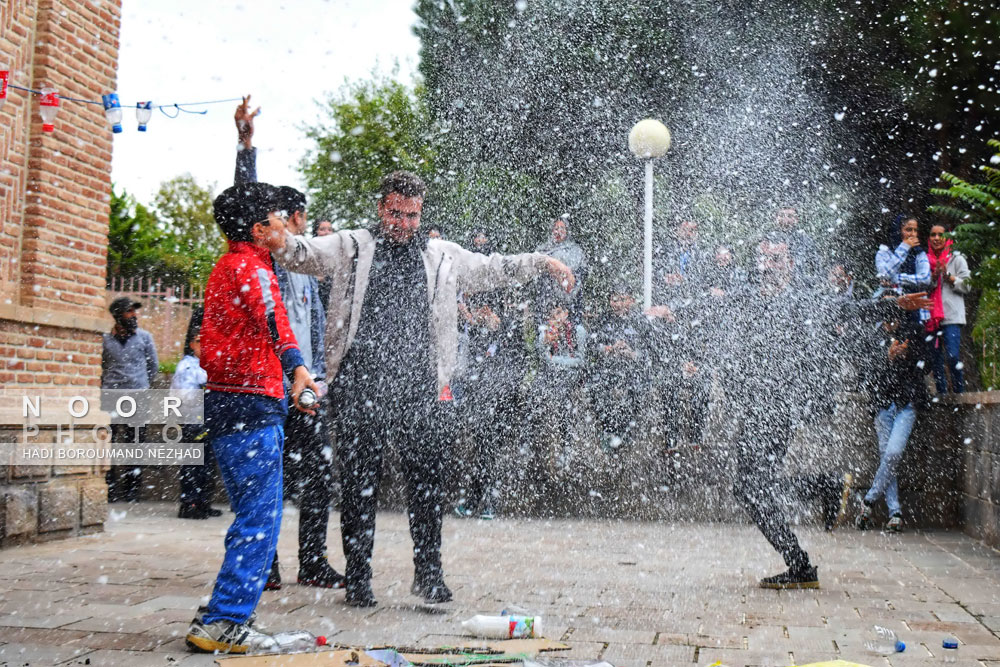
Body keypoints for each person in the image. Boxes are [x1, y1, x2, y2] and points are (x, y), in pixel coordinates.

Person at [276, 170, 575, 607]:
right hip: (361, 382)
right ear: (382, 208)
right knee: (360, 481)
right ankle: (359, 576)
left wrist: (542, 262)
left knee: (428, 482)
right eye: (396, 213)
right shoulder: (353, 245)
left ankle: (429, 573)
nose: (404, 223)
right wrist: (280, 239)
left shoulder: (441, 255)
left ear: (422, 212)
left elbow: (494, 269)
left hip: (423, 386)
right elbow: (305, 255)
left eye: (413, 215)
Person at [184, 180, 319, 654]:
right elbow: (274, 320)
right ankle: (225, 619)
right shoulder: (251, 269)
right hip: (250, 404)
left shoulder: (229, 264)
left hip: (228, 403)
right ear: (261, 229)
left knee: (253, 514)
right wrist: (299, 369)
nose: (284, 224)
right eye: (278, 218)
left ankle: (223, 615)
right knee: (260, 517)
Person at [232, 98, 345, 591]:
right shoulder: (262, 260)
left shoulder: (305, 267)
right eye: (269, 219)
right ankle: (267, 564)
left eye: (280, 217)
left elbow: (316, 328)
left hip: (302, 386)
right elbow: (242, 202)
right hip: (264, 385)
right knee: (268, 479)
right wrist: (246, 147)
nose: (274, 225)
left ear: (296, 221)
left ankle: (313, 560)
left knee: (317, 474)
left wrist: (318, 375)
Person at [454, 283, 530, 520]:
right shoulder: (477, 332)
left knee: (489, 451)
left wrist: (506, 391)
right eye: (479, 309)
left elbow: (518, 364)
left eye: (485, 309)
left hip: (502, 402)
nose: (480, 314)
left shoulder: (511, 329)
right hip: (481, 399)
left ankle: (483, 501)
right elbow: (474, 365)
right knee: (484, 451)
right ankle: (484, 501)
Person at [856, 316, 931, 532]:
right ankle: (895, 512)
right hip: (882, 406)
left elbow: (927, 365)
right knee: (886, 458)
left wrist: (908, 354)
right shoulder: (872, 336)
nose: (889, 319)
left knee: (893, 454)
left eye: (894, 312)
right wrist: (886, 357)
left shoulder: (914, 331)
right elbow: (865, 375)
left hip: (907, 404)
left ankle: (869, 501)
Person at [588, 283, 666, 453]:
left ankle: (626, 431)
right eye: (614, 299)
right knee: (597, 390)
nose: (617, 304)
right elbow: (592, 345)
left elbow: (652, 351)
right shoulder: (602, 320)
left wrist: (632, 354)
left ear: (631, 301)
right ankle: (608, 430)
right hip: (607, 368)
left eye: (622, 299)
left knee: (636, 390)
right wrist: (608, 349)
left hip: (633, 369)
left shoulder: (640, 321)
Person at [101, 296, 158, 503]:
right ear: (118, 315)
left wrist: (140, 385)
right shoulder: (104, 339)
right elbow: (101, 365)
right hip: (111, 396)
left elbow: (154, 367)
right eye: (129, 311)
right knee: (110, 442)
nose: (134, 315)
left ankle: (132, 489)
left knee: (136, 443)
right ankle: (110, 487)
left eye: (134, 311)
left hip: (137, 396)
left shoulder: (145, 337)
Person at [174, 306, 221, 520]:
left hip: (207, 420)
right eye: (200, 342)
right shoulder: (188, 366)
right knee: (192, 465)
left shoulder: (204, 364)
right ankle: (189, 503)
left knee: (207, 465)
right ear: (192, 344)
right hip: (193, 421)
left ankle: (203, 501)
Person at [927, 223, 971, 394]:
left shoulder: (957, 259)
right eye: (933, 235)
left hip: (951, 316)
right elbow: (922, 287)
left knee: (952, 356)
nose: (937, 238)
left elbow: (967, 286)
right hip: (931, 318)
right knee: (936, 360)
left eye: (940, 235)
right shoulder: (925, 260)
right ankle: (942, 395)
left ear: (947, 237)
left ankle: (959, 393)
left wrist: (948, 276)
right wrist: (934, 276)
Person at [875, 215, 932, 324]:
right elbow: (884, 274)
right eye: (908, 230)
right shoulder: (884, 252)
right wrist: (904, 247)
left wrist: (896, 278)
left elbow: (925, 278)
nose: (912, 234)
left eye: (915, 230)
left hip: (917, 311)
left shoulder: (919, 253)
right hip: (892, 310)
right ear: (898, 231)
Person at [536, 216, 587, 323]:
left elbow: (581, 274)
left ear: (567, 231)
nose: (559, 231)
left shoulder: (576, 250)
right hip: (548, 297)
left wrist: (568, 282)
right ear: (551, 231)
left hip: (572, 298)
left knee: (575, 329)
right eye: (556, 228)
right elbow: (538, 273)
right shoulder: (543, 250)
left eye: (562, 228)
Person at [772, 206, 821, 282]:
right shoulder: (767, 240)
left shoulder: (805, 240)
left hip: (799, 285)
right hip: (773, 284)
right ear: (776, 218)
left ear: (796, 219)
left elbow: (816, 268)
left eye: (789, 216)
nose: (785, 219)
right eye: (781, 215)